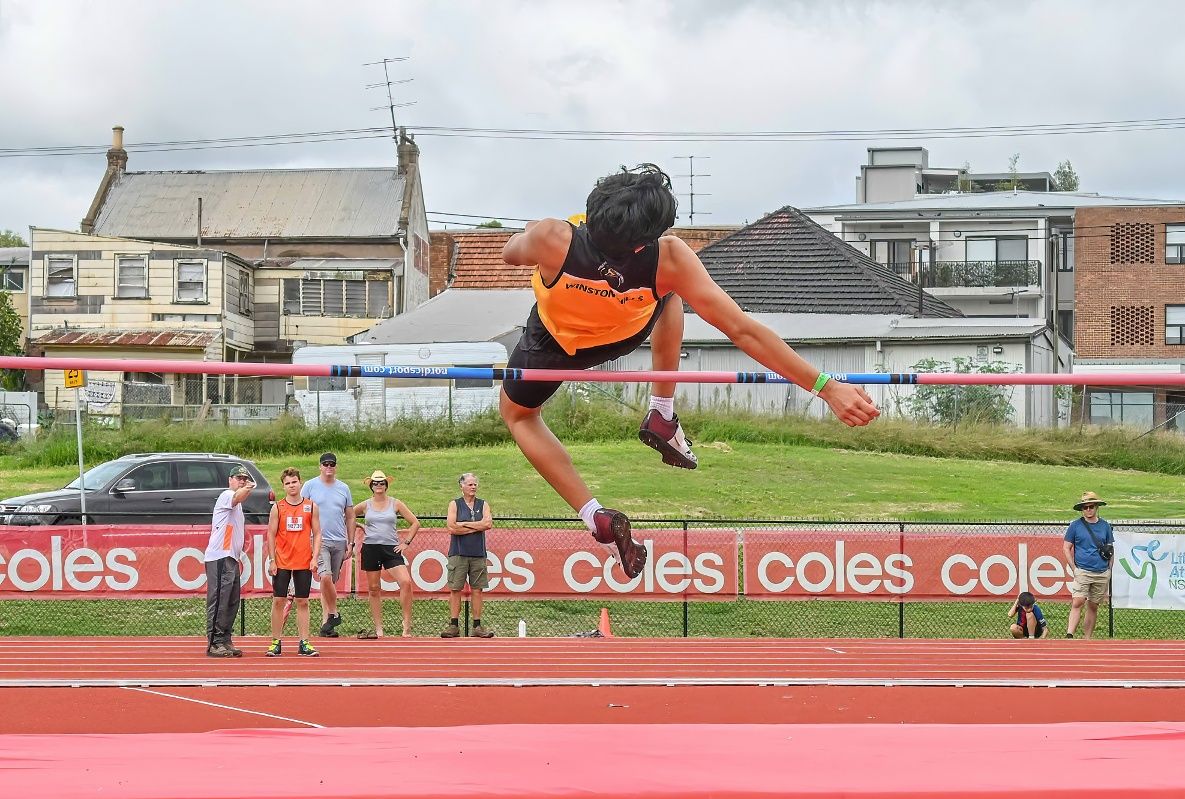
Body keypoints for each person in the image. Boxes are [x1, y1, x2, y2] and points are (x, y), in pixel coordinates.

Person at [499, 164, 880, 579]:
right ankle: (661, 410)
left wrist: (531, 229)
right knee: (670, 296)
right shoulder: (670, 259)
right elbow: (742, 330)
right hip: (620, 336)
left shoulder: (553, 237)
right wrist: (825, 388)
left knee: (519, 416)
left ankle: (593, 516)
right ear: (647, 240)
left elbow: (509, 253)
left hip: (551, 344)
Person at [352, 470, 421, 639]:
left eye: (381, 483)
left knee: (405, 582)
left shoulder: (395, 503)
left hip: (391, 548)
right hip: (371, 548)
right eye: (375, 483)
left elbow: (415, 523)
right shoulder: (365, 504)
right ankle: (378, 628)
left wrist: (406, 542)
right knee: (374, 588)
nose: (379, 486)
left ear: (386, 485)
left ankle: (406, 625)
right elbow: (347, 516)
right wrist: (359, 526)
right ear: (371, 486)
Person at [264, 468, 322, 657]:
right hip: (281, 561)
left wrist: (315, 558)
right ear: (283, 486)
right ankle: (276, 641)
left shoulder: (311, 506)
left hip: (303, 561)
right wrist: (272, 560)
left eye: (294, 482)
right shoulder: (278, 507)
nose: (292, 486)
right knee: (279, 600)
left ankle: (304, 642)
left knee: (303, 601)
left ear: (300, 483)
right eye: (288, 483)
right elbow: (271, 534)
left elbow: (318, 533)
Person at [203, 465, 256, 658]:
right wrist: (249, 486)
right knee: (219, 600)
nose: (242, 481)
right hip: (220, 556)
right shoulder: (227, 495)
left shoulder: (237, 504)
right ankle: (215, 641)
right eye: (238, 478)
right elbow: (238, 496)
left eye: (244, 478)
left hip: (230, 556)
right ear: (230, 480)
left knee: (231, 601)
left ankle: (225, 638)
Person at [302, 452, 355, 637]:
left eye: (332, 464)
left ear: (336, 466)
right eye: (325, 464)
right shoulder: (310, 486)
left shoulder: (344, 488)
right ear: (320, 466)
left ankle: (327, 624)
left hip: (339, 540)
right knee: (325, 577)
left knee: (330, 582)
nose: (329, 467)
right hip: (318, 539)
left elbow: (350, 516)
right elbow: (301, 510)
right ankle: (334, 613)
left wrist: (351, 542)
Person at [441, 473, 496, 639]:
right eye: (470, 484)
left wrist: (464, 525)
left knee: (477, 590)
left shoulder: (483, 504)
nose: (473, 487)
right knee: (455, 589)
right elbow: (451, 527)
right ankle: (453, 625)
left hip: (478, 553)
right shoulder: (454, 504)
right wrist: (476, 527)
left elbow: (487, 524)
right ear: (462, 486)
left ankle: (477, 626)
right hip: (458, 553)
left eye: (475, 484)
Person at [1063, 491, 1114, 639]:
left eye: (1091, 506)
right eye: (1085, 507)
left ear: (1096, 507)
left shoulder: (1105, 526)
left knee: (1093, 606)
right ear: (1082, 509)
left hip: (1101, 571)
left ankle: (1087, 639)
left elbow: (1110, 549)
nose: (1088, 510)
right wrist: (1074, 569)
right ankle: (1069, 634)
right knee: (1078, 601)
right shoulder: (1075, 526)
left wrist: (1109, 570)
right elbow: (1066, 547)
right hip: (1082, 571)